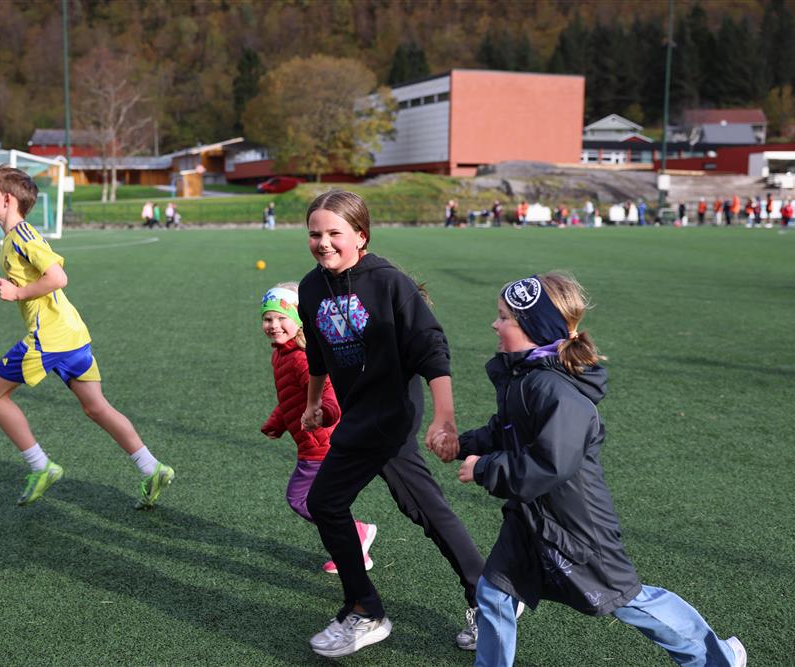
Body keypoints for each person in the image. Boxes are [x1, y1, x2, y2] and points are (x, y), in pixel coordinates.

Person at [434, 272, 746, 667]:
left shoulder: (555, 391)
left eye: (504, 318)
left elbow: (552, 463)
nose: (495, 324)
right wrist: (465, 444)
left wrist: (485, 470)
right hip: (530, 517)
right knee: (495, 593)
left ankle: (716, 658)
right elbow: (508, 429)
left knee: (628, 602)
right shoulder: (524, 377)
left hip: (575, 524)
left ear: (533, 327)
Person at [298, 190, 486, 658]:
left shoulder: (387, 283)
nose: (323, 243)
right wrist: (313, 401)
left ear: (360, 236)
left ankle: (366, 610)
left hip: (391, 416)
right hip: (357, 415)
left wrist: (444, 418)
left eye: (334, 233)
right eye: (315, 234)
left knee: (327, 500)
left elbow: (431, 350)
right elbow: (318, 355)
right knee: (421, 505)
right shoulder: (311, 288)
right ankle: (489, 595)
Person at [0, 166, 174, 508]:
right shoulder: (15, 238)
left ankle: (40, 465)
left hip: (50, 337)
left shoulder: (22, 236)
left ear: (6, 199)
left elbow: (58, 277)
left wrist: (18, 296)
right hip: (73, 335)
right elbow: (23, 286)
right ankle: (152, 468)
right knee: (96, 407)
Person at [259, 282, 377, 575]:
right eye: (267, 318)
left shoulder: (300, 357)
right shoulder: (281, 353)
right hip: (310, 443)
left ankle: (356, 535)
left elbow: (327, 394)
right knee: (322, 502)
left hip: (320, 445)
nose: (273, 325)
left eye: (281, 318)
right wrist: (277, 423)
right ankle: (353, 545)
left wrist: (325, 414)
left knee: (302, 499)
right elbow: (291, 397)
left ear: (300, 319)